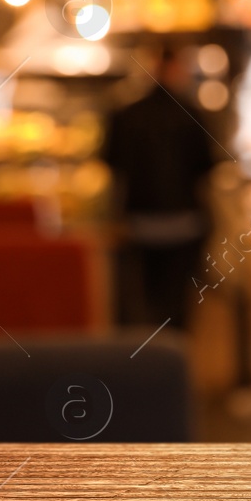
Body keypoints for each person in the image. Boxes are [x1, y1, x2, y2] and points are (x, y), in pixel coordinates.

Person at [104, 44, 214, 328]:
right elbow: (207, 169)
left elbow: (111, 166)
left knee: (141, 307)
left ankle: (147, 363)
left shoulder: (126, 115)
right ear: (174, 67)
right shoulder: (193, 115)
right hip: (185, 225)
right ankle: (175, 359)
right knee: (178, 307)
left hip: (138, 226)